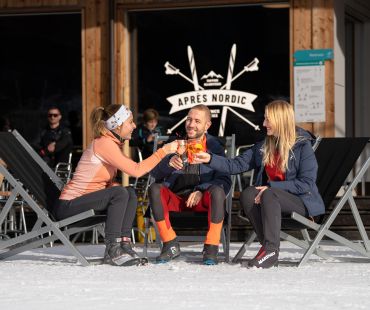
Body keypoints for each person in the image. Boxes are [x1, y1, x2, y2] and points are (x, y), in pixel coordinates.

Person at [193, 100, 325, 268]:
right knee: (248, 193)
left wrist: (272, 187)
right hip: (273, 201)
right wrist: (210, 158)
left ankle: (270, 249)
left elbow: (306, 184)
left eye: (268, 119)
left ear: (280, 120)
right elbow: (235, 165)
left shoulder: (302, 146)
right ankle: (268, 247)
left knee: (269, 193)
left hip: (302, 202)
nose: (264, 124)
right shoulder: (264, 146)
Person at [53, 104, 179, 266]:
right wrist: (164, 151)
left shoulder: (111, 144)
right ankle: (113, 249)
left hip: (85, 203)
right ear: (118, 125)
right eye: (130, 122)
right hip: (69, 207)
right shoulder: (104, 144)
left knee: (130, 192)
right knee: (119, 193)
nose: (134, 126)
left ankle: (124, 244)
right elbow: (136, 170)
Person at [148, 104, 231, 265]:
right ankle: (170, 243)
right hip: (176, 200)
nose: (191, 124)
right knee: (155, 189)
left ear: (207, 125)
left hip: (202, 201)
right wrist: (168, 163)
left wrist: (201, 190)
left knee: (218, 192)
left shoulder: (215, 147)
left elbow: (225, 181)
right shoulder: (174, 142)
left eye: (197, 121)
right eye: (189, 119)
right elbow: (154, 174)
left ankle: (211, 247)